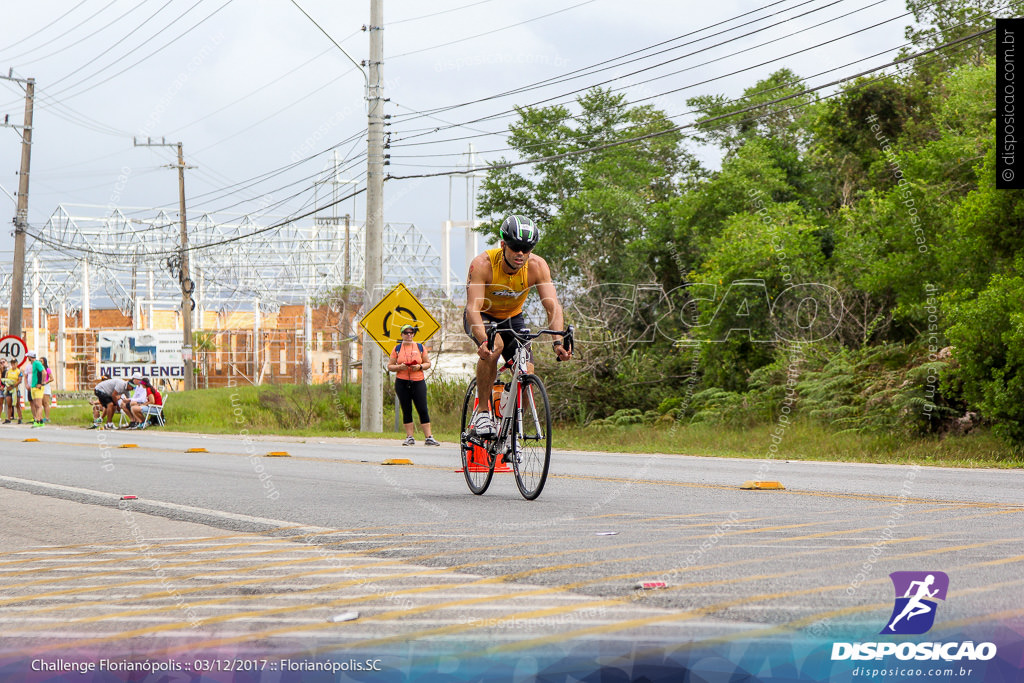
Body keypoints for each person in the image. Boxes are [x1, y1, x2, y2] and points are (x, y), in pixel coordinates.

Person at [464, 215, 571, 436]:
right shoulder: (483, 264)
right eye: (515, 247)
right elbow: (472, 308)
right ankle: (483, 413)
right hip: (482, 315)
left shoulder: (537, 266)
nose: (520, 253)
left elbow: (553, 307)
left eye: (526, 248)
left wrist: (558, 341)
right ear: (503, 245)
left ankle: (507, 418)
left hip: (513, 317)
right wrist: (484, 340)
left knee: (526, 370)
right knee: (496, 346)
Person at [386, 324, 440, 446]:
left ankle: (429, 437)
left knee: (422, 408)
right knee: (406, 409)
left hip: (418, 381)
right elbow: (390, 366)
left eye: (411, 333)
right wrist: (400, 367)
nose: (409, 335)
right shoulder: (397, 349)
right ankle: (410, 437)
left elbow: (428, 363)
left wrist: (419, 366)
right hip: (402, 381)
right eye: (406, 333)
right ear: (402, 335)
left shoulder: (420, 347)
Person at [26, 351, 46, 428]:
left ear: (30, 357)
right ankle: (40, 420)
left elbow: (44, 372)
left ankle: (37, 420)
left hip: (38, 387)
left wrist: (41, 382)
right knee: (35, 404)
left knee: (38, 405)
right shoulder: (33, 364)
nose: (27, 358)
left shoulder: (37, 363)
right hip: (33, 386)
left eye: (28, 357)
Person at [3, 359, 25, 424]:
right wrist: (7, 386)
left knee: (17, 404)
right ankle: (8, 418)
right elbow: (6, 379)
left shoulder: (18, 371)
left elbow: (20, 380)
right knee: (9, 404)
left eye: (14, 363)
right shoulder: (8, 371)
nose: (13, 365)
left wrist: (13, 386)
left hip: (15, 389)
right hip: (9, 389)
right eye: (12, 363)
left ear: (16, 364)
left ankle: (20, 418)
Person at [40, 357, 53, 423]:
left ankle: (47, 417)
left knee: (46, 402)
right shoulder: (39, 369)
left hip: (46, 386)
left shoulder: (47, 369)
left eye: (41, 361)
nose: (40, 362)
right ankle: (41, 417)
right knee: (41, 402)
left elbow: (52, 378)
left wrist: (46, 382)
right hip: (40, 386)